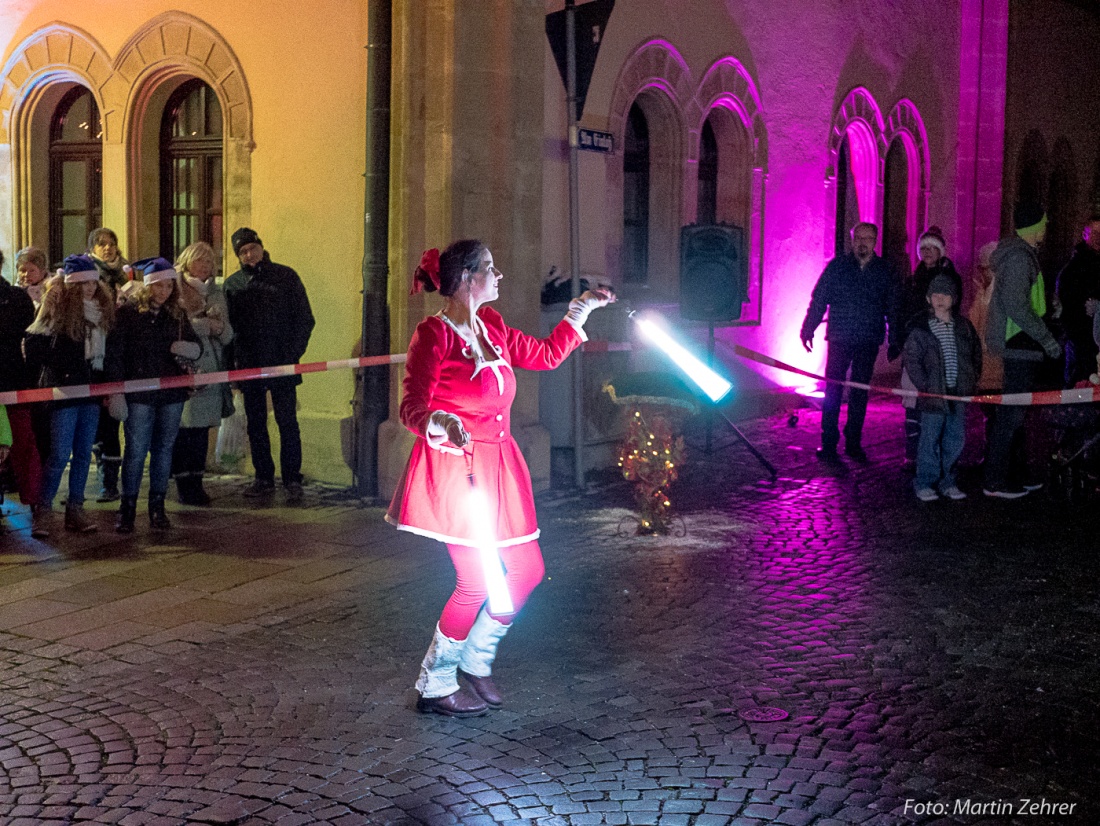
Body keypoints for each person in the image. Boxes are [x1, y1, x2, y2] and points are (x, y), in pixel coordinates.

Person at [387, 240, 613, 717]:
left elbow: (547, 355)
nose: (499, 275)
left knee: (526, 572)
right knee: (475, 582)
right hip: (457, 470)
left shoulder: (491, 327)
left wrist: (580, 312)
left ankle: (475, 659)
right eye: (490, 268)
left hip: (501, 469)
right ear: (468, 278)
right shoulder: (434, 334)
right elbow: (410, 405)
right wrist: (439, 422)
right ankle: (435, 682)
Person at [105, 257, 200, 533]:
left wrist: (188, 349)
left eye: (169, 285)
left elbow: (195, 345)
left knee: (164, 449)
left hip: (171, 393)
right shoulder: (127, 314)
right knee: (135, 450)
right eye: (159, 285)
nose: (165, 291)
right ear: (148, 286)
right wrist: (117, 390)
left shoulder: (177, 314)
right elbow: (115, 355)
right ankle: (128, 508)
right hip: (139, 393)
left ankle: (158, 507)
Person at [23, 255, 115, 533]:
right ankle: (44, 508)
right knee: (60, 453)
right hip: (63, 390)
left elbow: (108, 353)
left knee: (83, 453)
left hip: (91, 390)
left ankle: (75, 507)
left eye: (93, 282)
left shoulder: (101, 311)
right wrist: (45, 311)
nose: (89, 288)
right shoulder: (60, 311)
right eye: (83, 283)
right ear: (72, 285)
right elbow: (34, 348)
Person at [224, 228, 315, 503]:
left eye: (252, 248)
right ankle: (263, 477)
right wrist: (234, 369)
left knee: (288, 421)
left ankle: (291, 478)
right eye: (243, 252)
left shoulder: (286, 276)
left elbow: (304, 319)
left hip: (282, 362)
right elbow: (230, 331)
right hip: (249, 365)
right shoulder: (233, 284)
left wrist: (292, 355)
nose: (249, 254)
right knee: (256, 423)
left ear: (261, 247)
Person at [800, 221, 901, 463]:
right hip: (840, 337)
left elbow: (893, 307)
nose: (861, 243)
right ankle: (829, 442)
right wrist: (808, 327)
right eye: (858, 238)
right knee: (833, 390)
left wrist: (894, 338)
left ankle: (853, 441)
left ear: (875, 241)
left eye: (867, 238)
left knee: (859, 392)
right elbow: (819, 298)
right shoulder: (838, 268)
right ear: (852, 240)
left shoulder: (884, 271)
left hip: (867, 339)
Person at [982, 201, 1061, 498]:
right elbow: (1017, 306)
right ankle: (996, 480)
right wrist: (1046, 338)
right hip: (1019, 344)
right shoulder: (1019, 259)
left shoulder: (1024, 256)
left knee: (1016, 413)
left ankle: (1014, 473)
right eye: (1043, 222)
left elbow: (1027, 302)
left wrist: (1047, 308)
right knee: (1011, 415)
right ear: (1034, 227)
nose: (1047, 227)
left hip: (1022, 343)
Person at [903, 275, 982, 502]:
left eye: (945, 294)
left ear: (953, 299)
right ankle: (925, 481)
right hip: (934, 395)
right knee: (929, 439)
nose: (940, 299)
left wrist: (971, 380)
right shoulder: (922, 328)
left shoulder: (964, 327)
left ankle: (948, 480)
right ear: (928, 298)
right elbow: (912, 359)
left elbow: (975, 354)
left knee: (954, 439)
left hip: (958, 393)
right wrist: (925, 386)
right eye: (935, 294)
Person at [171, 242, 233, 506]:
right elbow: (174, 328)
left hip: (213, 368)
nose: (205, 266)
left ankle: (197, 481)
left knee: (202, 430)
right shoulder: (175, 288)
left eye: (209, 261)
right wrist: (204, 324)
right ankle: (184, 483)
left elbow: (229, 333)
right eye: (200, 261)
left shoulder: (217, 293)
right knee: (184, 429)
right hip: (186, 366)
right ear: (187, 263)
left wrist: (220, 328)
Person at [899, 227, 965, 470]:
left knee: (932, 400)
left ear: (940, 251)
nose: (926, 252)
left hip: (937, 347)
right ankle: (912, 452)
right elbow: (903, 309)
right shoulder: (913, 279)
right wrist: (900, 338)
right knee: (912, 399)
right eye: (923, 248)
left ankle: (932, 452)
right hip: (914, 346)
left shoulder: (949, 278)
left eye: (931, 248)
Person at [1, 248, 49, 538]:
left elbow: (29, 341)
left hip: (12, 380)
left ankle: (37, 507)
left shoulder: (16, 299)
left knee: (24, 445)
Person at [88, 228, 130, 503]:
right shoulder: (87, 276)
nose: (107, 248)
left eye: (111, 244)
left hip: (118, 357)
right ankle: (102, 473)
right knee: (94, 424)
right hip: (92, 357)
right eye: (101, 244)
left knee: (112, 421)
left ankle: (110, 482)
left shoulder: (126, 277)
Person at [1055, 214, 1100, 387]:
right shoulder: (1073, 270)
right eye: (1094, 233)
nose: (1098, 238)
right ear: (1085, 234)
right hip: (1082, 345)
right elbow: (1068, 310)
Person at [15, 246, 50, 311]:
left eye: (32, 271)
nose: (26, 274)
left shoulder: (51, 289)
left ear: (42, 271)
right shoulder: (14, 291)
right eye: (23, 270)